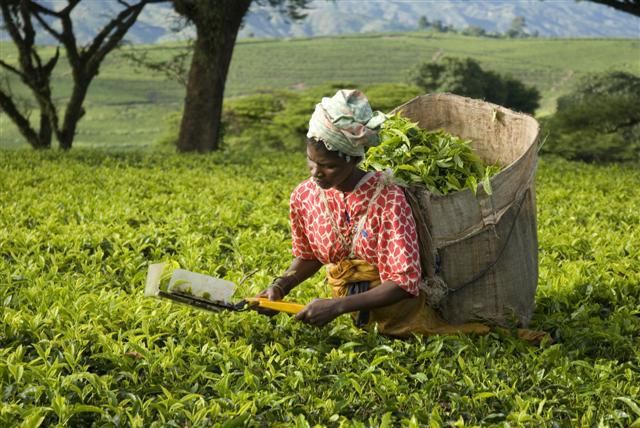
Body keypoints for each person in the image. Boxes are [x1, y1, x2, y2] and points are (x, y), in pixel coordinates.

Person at [254, 89, 495, 338]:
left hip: (400, 316)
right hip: (351, 322)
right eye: (311, 162)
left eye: (328, 166)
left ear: (353, 159)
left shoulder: (388, 199)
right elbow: (310, 254)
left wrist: (337, 306)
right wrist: (280, 286)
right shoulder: (304, 196)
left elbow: (404, 282)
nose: (316, 173)